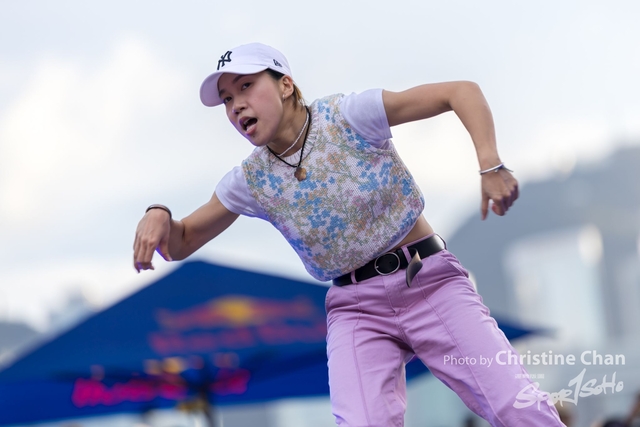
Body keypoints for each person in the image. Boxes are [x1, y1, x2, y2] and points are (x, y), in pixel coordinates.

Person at [133, 42, 563, 427]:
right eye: (227, 99)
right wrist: (159, 213)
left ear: (285, 85)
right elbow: (181, 241)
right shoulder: (249, 180)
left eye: (245, 86)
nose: (236, 106)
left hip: (427, 280)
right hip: (355, 309)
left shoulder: (349, 115)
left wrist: (490, 165)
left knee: (516, 408)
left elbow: (461, 91)